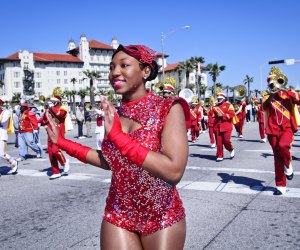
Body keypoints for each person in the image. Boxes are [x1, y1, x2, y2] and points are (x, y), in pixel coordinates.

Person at [45, 44, 190, 249]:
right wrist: (62, 142)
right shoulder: (114, 115)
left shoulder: (168, 108)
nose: (115, 72)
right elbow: (110, 162)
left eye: (124, 65)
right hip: (119, 212)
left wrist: (119, 138)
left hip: (161, 215)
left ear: (145, 71)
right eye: (111, 67)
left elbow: (174, 171)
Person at [262, 67, 300, 195]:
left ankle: (288, 166)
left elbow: (298, 99)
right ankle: (280, 186)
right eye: (271, 84)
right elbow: (264, 107)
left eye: (275, 83)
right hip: (272, 129)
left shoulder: (288, 93)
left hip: (287, 127)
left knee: (283, 146)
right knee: (277, 158)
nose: (273, 86)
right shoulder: (268, 96)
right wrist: (270, 96)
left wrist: (285, 90)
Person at [40, 95, 70, 180]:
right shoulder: (50, 109)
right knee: (50, 153)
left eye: (53, 101)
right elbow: (44, 119)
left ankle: (64, 162)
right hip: (50, 131)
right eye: (51, 101)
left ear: (58, 101)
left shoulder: (63, 108)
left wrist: (50, 108)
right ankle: (56, 172)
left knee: (55, 150)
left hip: (58, 131)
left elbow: (59, 115)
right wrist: (45, 111)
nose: (52, 103)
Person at [213, 93, 235, 162]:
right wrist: (213, 107)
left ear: (224, 99)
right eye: (218, 98)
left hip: (226, 126)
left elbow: (231, 114)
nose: (219, 99)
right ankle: (220, 155)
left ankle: (231, 149)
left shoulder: (229, 105)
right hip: (218, 126)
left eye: (220, 98)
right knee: (218, 143)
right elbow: (212, 115)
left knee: (226, 141)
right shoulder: (215, 106)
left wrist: (222, 116)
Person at [0, 99, 18, 175]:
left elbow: (2, 121)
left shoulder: (6, 112)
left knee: (1, 154)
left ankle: (13, 163)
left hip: (1, 136)